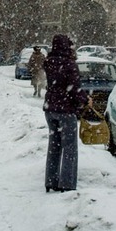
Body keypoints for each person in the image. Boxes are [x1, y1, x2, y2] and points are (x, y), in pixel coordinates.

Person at [43, 34, 92, 193]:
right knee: (69, 147)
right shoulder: (69, 65)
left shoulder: (49, 62)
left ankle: (51, 181)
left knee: (54, 145)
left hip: (50, 108)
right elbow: (75, 89)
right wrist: (86, 100)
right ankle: (67, 183)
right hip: (66, 110)